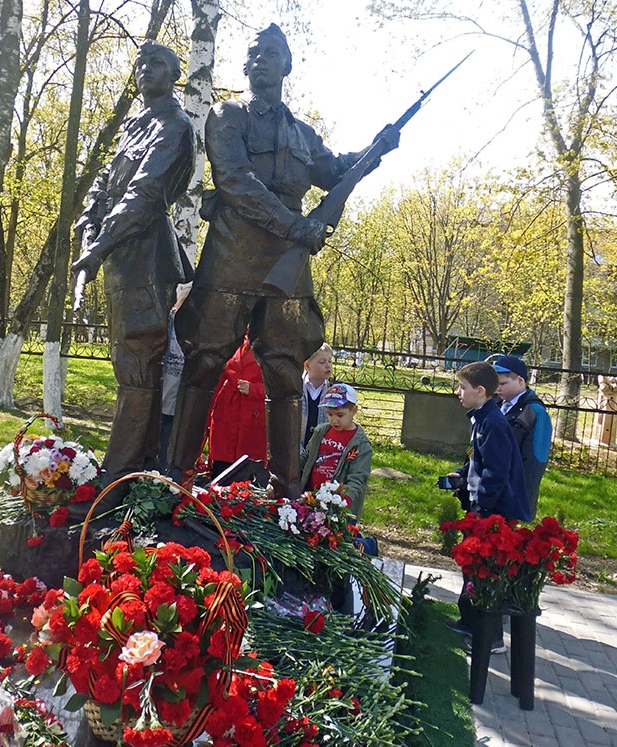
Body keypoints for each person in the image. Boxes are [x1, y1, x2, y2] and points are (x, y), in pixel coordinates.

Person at [168, 23, 398, 497]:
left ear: (286, 65)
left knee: (285, 371)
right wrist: (297, 226)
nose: (260, 60)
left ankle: (285, 488)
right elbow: (234, 180)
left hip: (286, 266)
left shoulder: (302, 133)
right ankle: (177, 477)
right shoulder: (226, 115)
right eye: (254, 54)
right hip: (232, 256)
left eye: (272, 53)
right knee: (205, 362)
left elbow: (334, 170)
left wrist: (375, 151)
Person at [70, 41, 195, 488]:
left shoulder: (174, 126)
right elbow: (105, 183)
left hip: (146, 259)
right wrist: (88, 223)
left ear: (175, 72)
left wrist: (98, 246)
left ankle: (120, 475)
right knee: (128, 362)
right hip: (122, 256)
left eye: (157, 62)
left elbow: (143, 193)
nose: (145, 69)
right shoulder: (135, 126)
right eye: (140, 62)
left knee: (139, 363)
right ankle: (131, 472)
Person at [445, 361, 530, 653]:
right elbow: (478, 459)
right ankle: (471, 622)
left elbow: (496, 471)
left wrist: (480, 508)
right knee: (473, 569)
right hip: (483, 507)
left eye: (463, 388)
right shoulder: (481, 417)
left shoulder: (493, 422)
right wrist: (463, 472)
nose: (458, 392)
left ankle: (491, 637)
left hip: (493, 512)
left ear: (480, 391)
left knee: (487, 571)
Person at [491, 355, 552, 521]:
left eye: (503, 383)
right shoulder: (495, 407)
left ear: (520, 381)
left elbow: (534, 464)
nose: (498, 388)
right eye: (495, 384)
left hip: (510, 500)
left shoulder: (536, 414)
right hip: (486, 492)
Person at [299, 383, 372, 522]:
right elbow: (306, 457)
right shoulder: (321, 431)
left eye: (340, 415)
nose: (334, 420)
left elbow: (357, 479)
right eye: (329, 414)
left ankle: (368, 544)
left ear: (354, 411)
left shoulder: (361, 444)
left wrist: (341, 503)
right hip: (310, 497)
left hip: (338, 508)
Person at [207, 338, 267, 478]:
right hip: (226, 415)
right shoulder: (233, 341)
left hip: (252, 419)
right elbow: (219, 380)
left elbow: (281, 387)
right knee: (220, 474)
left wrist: (254, 389)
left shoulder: (271, 347)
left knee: (245, 478)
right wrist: (210, 411)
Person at [158, 284, 191, 472]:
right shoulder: (166, 326)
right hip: (159, 400)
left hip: (178, 404)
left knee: (168, 453)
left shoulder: (196, 332)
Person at [301, 343, 333, 449]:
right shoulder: (296, 389)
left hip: (322, 450)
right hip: (298, 448)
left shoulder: (333, 391)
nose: (328, 365)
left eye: (330, 361)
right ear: (307, 365)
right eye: (322, 362)